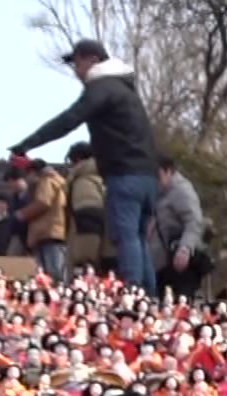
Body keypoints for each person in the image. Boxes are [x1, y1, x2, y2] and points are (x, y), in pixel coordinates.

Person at [10, 38, 159, 293]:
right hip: (147, 174)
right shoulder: (125, 89)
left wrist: (28, 144)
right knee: (137, 239)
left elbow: (70, 119)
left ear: (92, 60)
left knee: (126, 237)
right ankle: (150, 297)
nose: (76, 71)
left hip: (124, 173)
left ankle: (134, 293)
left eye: (77, 63)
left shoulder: (102, 86)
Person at [153, 156, 208, 297]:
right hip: (163, 260)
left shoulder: (182, 190)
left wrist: (185, 248)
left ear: (168, 172)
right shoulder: (159, 193)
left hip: (180, 256)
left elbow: (194, 221)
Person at [16, 158, 69, 280]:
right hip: (55, 230)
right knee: (54, 270)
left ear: (33, 172)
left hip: (48, 231)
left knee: (52, 272)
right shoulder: (59, 180)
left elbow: (43, 202)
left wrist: (22, 214)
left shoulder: (46, 180)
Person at [63, 142, 111, 273]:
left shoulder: (84, 183)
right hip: (108, 252)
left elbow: (89, 219)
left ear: (77, 160)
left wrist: (84, 261)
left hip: (91, 260)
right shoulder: (103, 179)